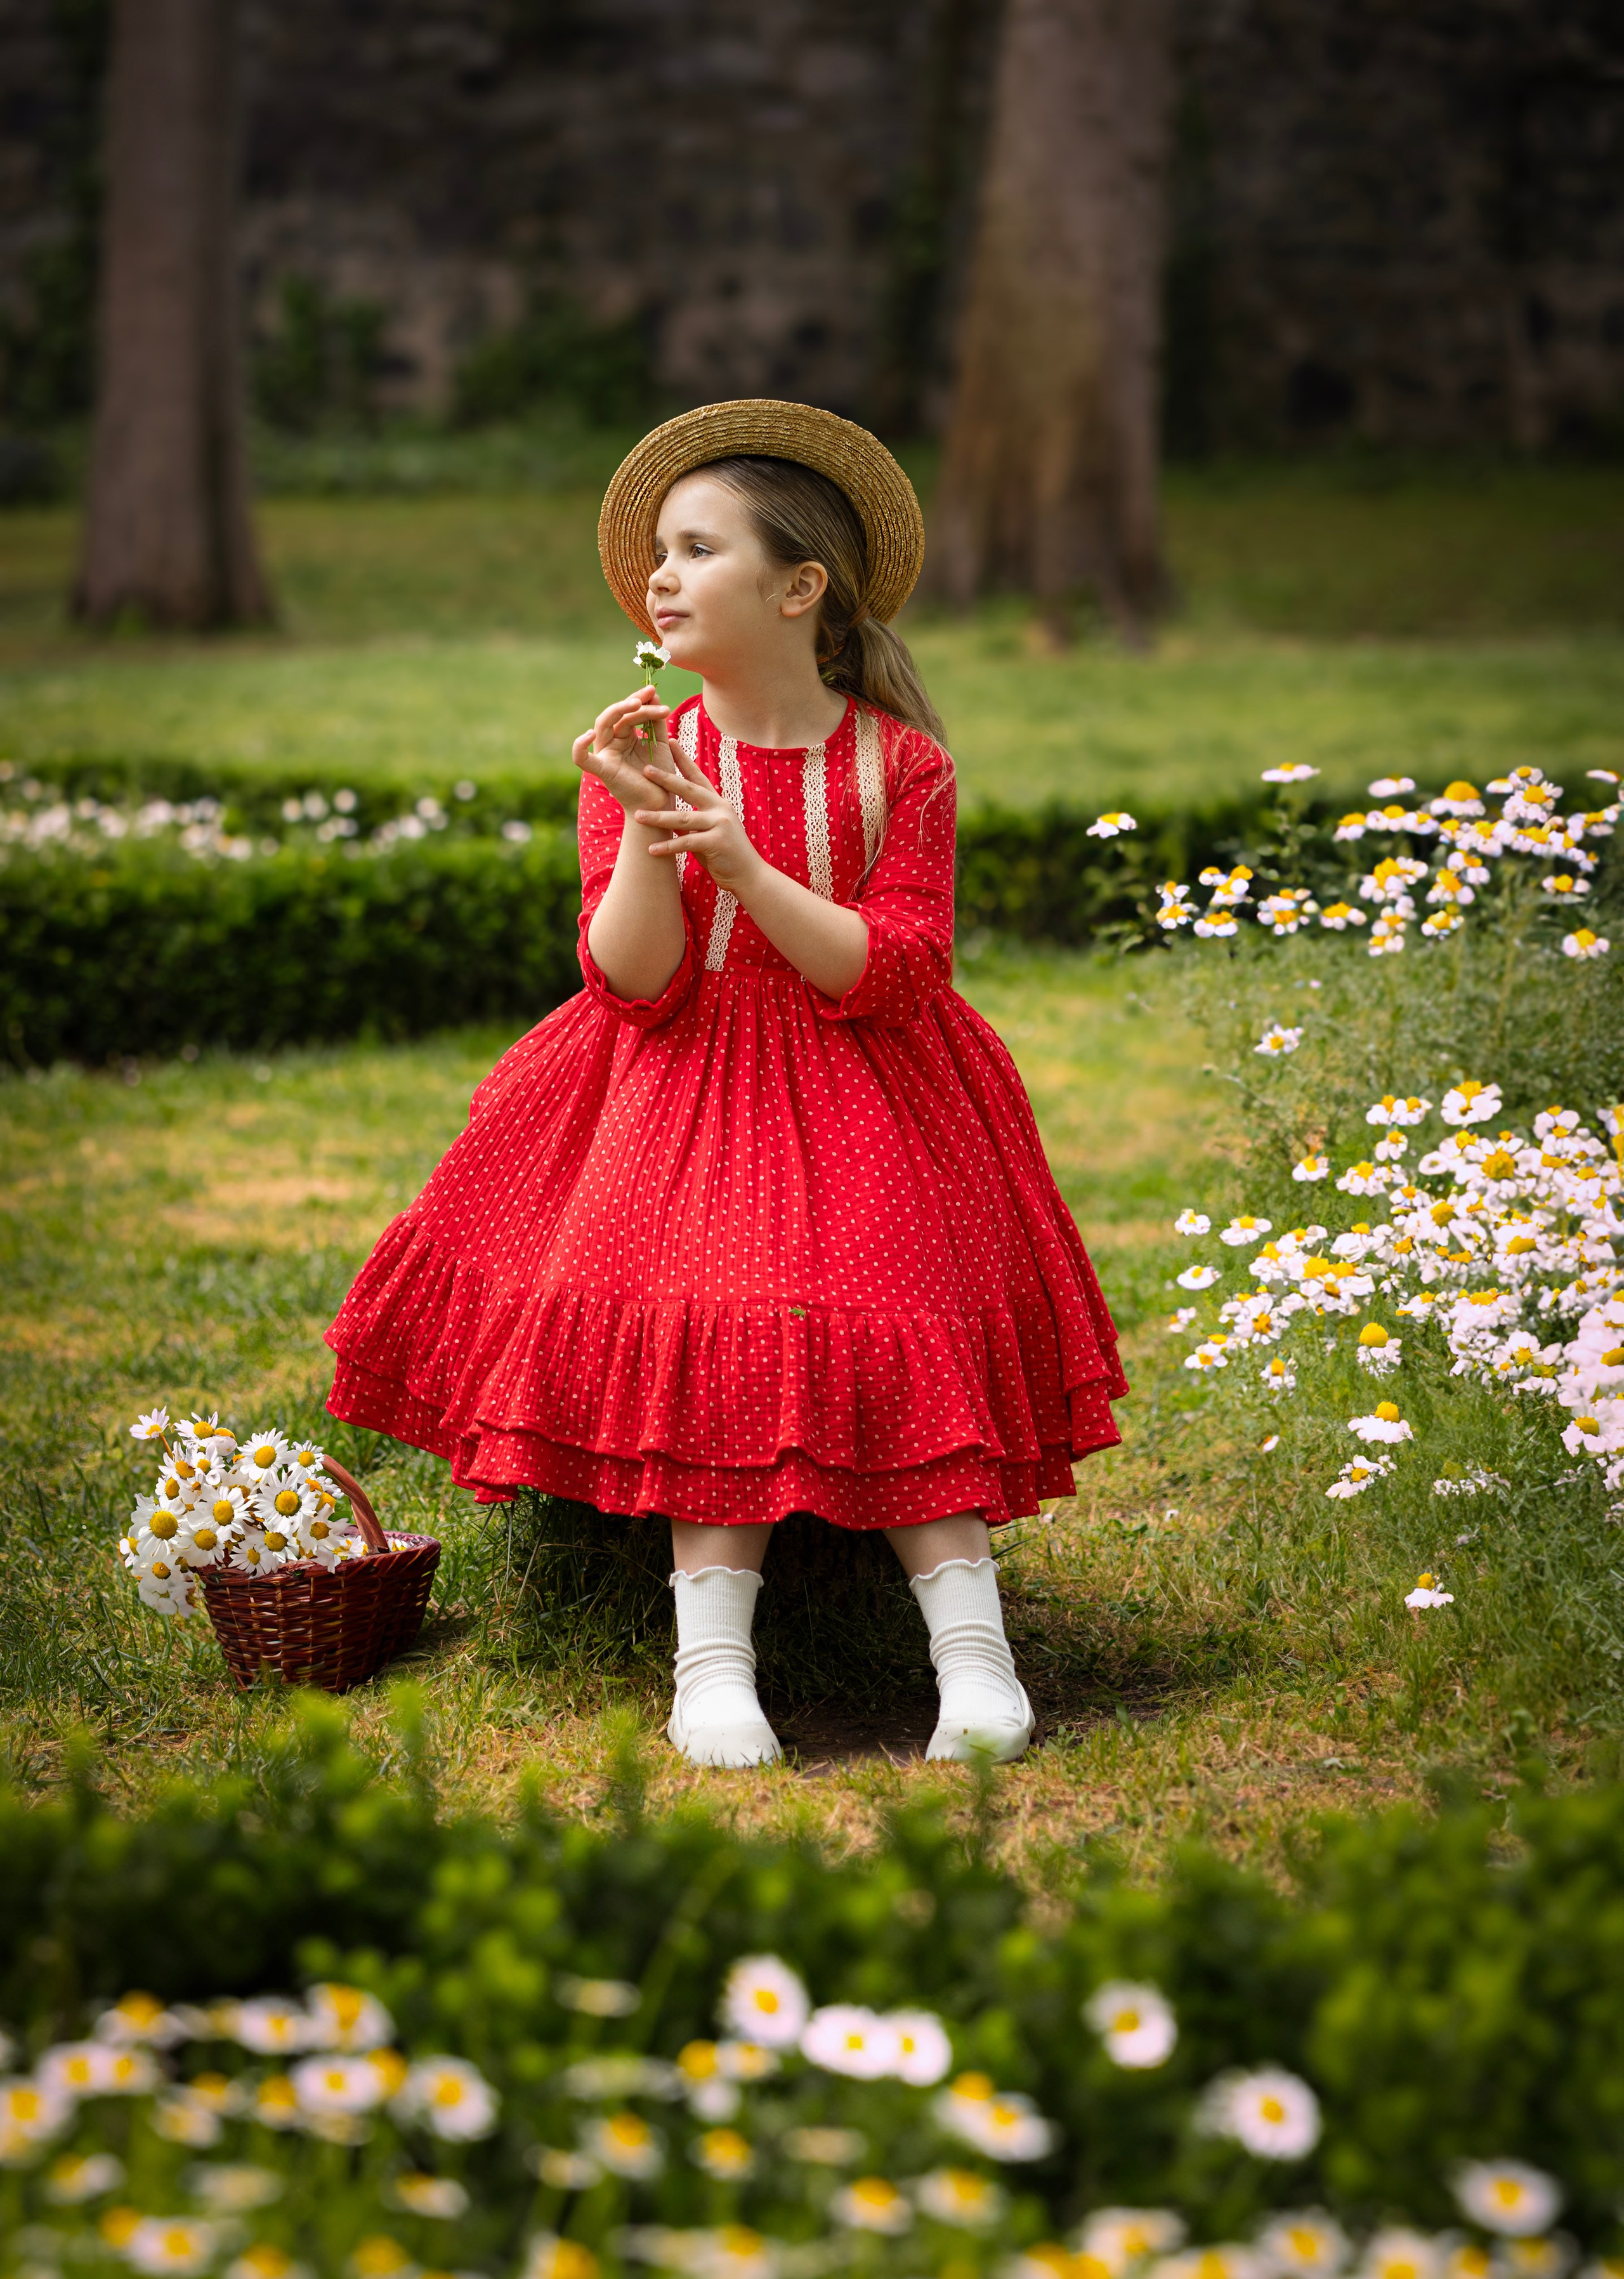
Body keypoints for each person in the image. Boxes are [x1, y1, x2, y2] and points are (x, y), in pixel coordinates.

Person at [326, 399, 1127, 1769]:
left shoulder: (899, 765)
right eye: (656, 554)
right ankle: (711, 1663)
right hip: (679, 1080)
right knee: (714, 1313)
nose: (659, 576)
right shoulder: (641, 755)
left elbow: (898, 973)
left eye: (696, 549)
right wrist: (650, 829)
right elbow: (633, 984)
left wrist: (749, 863)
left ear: (798, 587)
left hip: (868, 1074)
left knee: (899, 1304)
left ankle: (973, 1655)